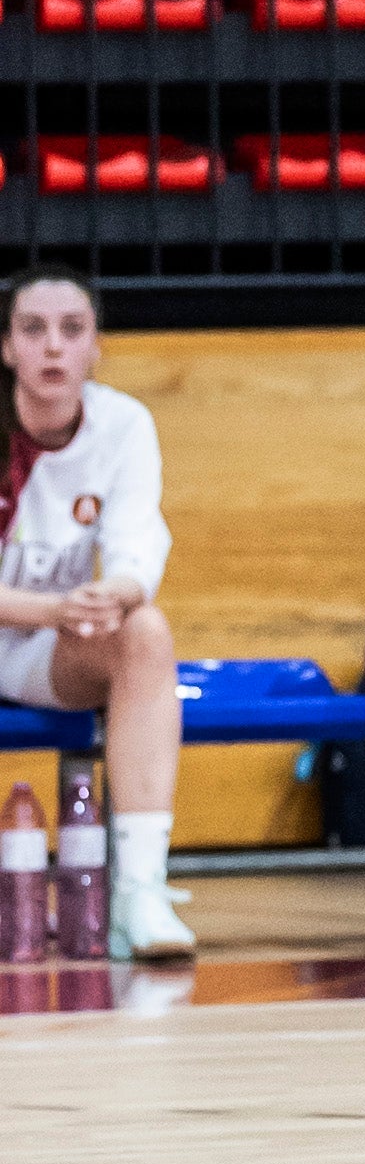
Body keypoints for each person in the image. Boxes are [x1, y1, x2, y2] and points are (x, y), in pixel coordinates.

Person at [0, 269, 190, 964]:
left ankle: (141, 892)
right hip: (34, 619)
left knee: (146, 631)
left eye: (71, 330)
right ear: (7, 348)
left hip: (47, 647)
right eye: (33, 329)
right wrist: (52, 606)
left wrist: (121, 592)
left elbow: (140, 543)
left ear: (95, 347)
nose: (53, 347)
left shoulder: (123, 423)